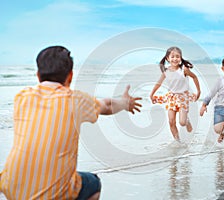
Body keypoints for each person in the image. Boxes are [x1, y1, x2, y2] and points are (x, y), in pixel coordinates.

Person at [0, 46, 142, 200]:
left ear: (38, 75)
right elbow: (106, 105)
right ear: (70, 76)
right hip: (51, 194)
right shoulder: (75, 100)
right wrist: (124, 102)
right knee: (93, 183)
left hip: (10, 186)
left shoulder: (21, 97)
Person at [150, 46, 201, 141]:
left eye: (177, 56)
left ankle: (186, 120)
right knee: (171, 122)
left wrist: (199, 91)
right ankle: (178, 142)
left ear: (181, 58)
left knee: (181, 122)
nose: (175, 59)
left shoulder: (184, 69)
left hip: (183, 97)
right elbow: (158, 83)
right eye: (172, 56)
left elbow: (194, 77)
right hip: (172, 97)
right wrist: (152, 94)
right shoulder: (166, 71)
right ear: (167, 58)